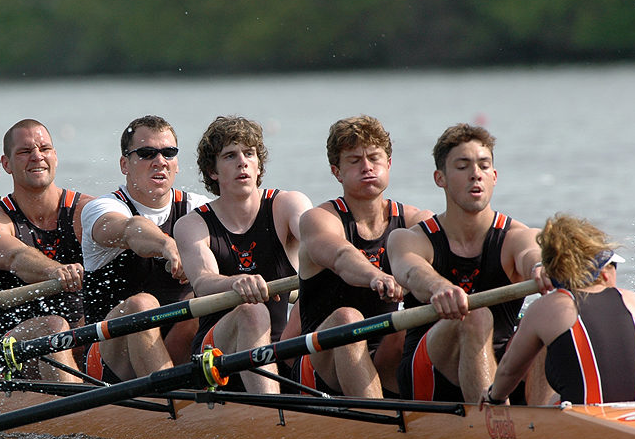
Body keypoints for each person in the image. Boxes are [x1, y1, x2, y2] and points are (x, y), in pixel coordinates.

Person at [386, 123, 550, 403]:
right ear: (441, 178)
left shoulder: (518, 236)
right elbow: (411, 271)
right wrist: (438, 287)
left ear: (494, 176)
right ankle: (495, 424)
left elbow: (530, 255)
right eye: (462, 167)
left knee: (552, 311)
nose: (476, 174)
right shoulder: (409, 239)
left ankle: (546, 420)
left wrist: (540, 268)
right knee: (476, 314)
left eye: (483, 166)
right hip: (430, 374)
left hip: (503, 371)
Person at [296, 116, 432, 398]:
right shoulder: (319, 219)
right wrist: (376, 276)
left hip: (384, 355)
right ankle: (377, 423)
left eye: (374, 158)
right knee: (348, 317)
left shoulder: (416, 220)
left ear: (389, 164)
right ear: (337, 172)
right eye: (355, 160)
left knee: (414, 322)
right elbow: (342, 256)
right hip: (321, 362)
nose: (367, 167)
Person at [174, 116, 311, 394]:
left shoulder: (287, 204)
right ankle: (274, 418)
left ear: (258, 164)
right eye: (230, 156)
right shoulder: (193, 224)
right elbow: (203, 281)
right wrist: (236, 282)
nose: (242, 162)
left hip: (280, 346)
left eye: (249, 153)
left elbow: (317, 238)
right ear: (213, 171)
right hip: (217, 355)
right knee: (252, 312)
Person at [80, 115, 210, 382]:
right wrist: (167, 244)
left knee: (203, 301)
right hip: (110, 361)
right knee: (142, 304)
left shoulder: (198, 208)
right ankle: (172, 403)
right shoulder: (101, 209)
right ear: (124, 164)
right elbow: (130, 230)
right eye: (147, 153)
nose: (159, 161)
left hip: (176, 345)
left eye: (168, 152)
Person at [484, 214, 635, 406]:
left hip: (588, 421)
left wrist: (494, 399)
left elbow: (507, 372)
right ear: (603, 272)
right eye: (613, 266)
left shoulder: (547, 308)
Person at [0, 119, 89, 381]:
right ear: (6, 164)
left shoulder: (86, 210)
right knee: (53, 326)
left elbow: (124, 227)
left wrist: (166, 245)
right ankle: (81, 415)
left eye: (44, 149)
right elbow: (17, 256)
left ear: (55, 156)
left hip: (84, 339)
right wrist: (57, 270)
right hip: (18, 352)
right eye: (25, 152)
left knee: (136, 306)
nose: (37, 156)